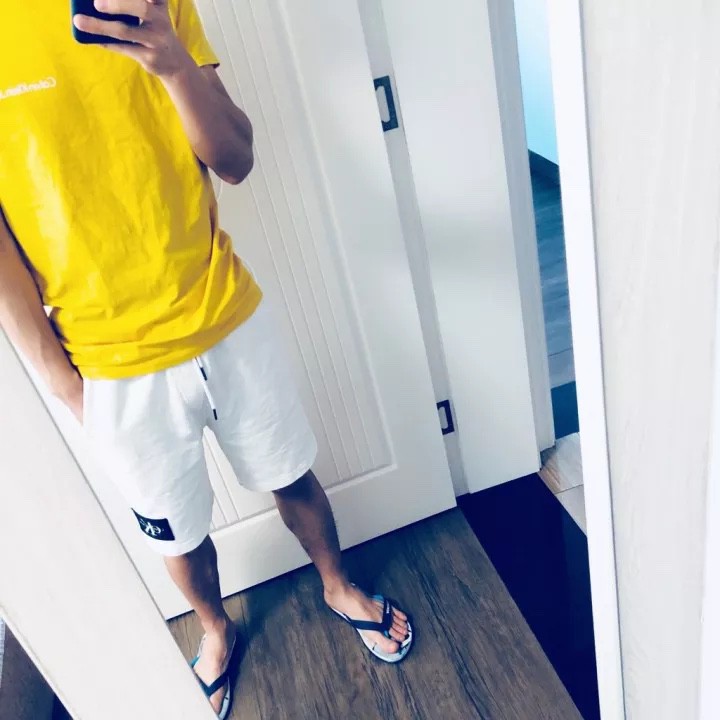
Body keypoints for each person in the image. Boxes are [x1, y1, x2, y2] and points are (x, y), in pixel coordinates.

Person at [0, 1, 413, 716]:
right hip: (107, 364)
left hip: (224, 312)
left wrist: (172, 63)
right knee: (177, 533)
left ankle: (338, 585)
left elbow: (236, 159)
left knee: (290, 474)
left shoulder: (152, 4)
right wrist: (62, 383)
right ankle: (216, 629)